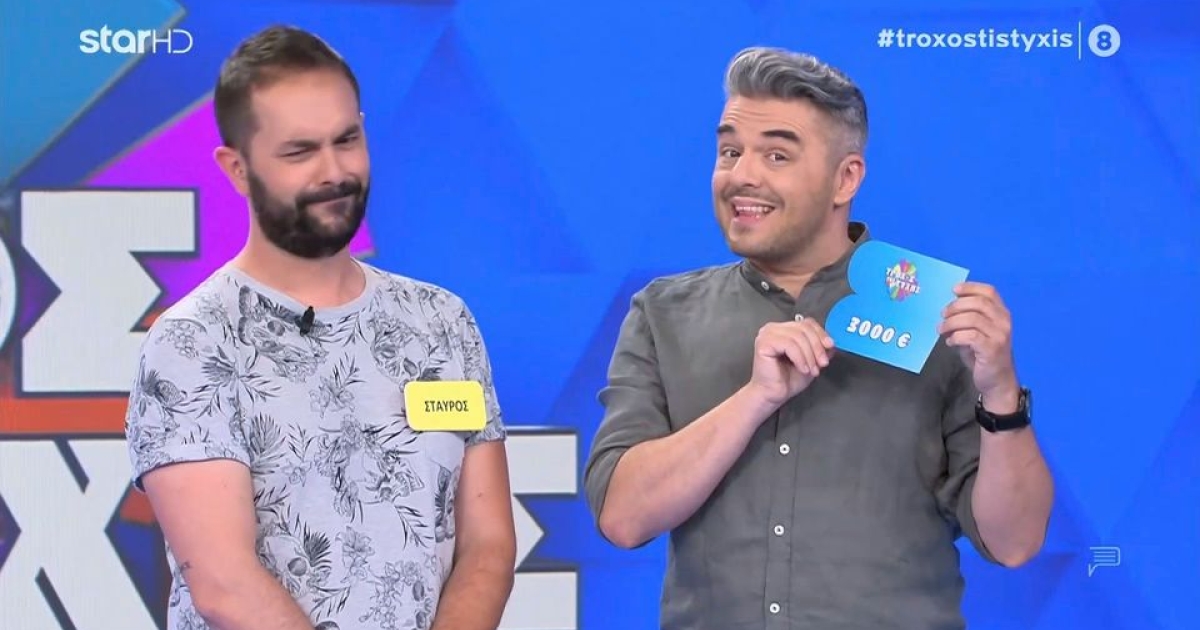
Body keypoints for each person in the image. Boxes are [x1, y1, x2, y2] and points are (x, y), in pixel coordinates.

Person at [583, 47, 1054, 630]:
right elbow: (623, 517)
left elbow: (1014, 542)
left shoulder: (933, 315)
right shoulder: (664, 313)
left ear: (846, 178)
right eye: (730, 151)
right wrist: (754, 398)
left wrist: (1001, 393)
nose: (742, 175)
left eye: (776, 155)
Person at [124, 25, 516, 630]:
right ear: (237, 169)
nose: (334, 171)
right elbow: (224, 584)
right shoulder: (193, 343)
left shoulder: (442, 322)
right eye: (299, 152)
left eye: (347, 139)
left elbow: (487, 546)